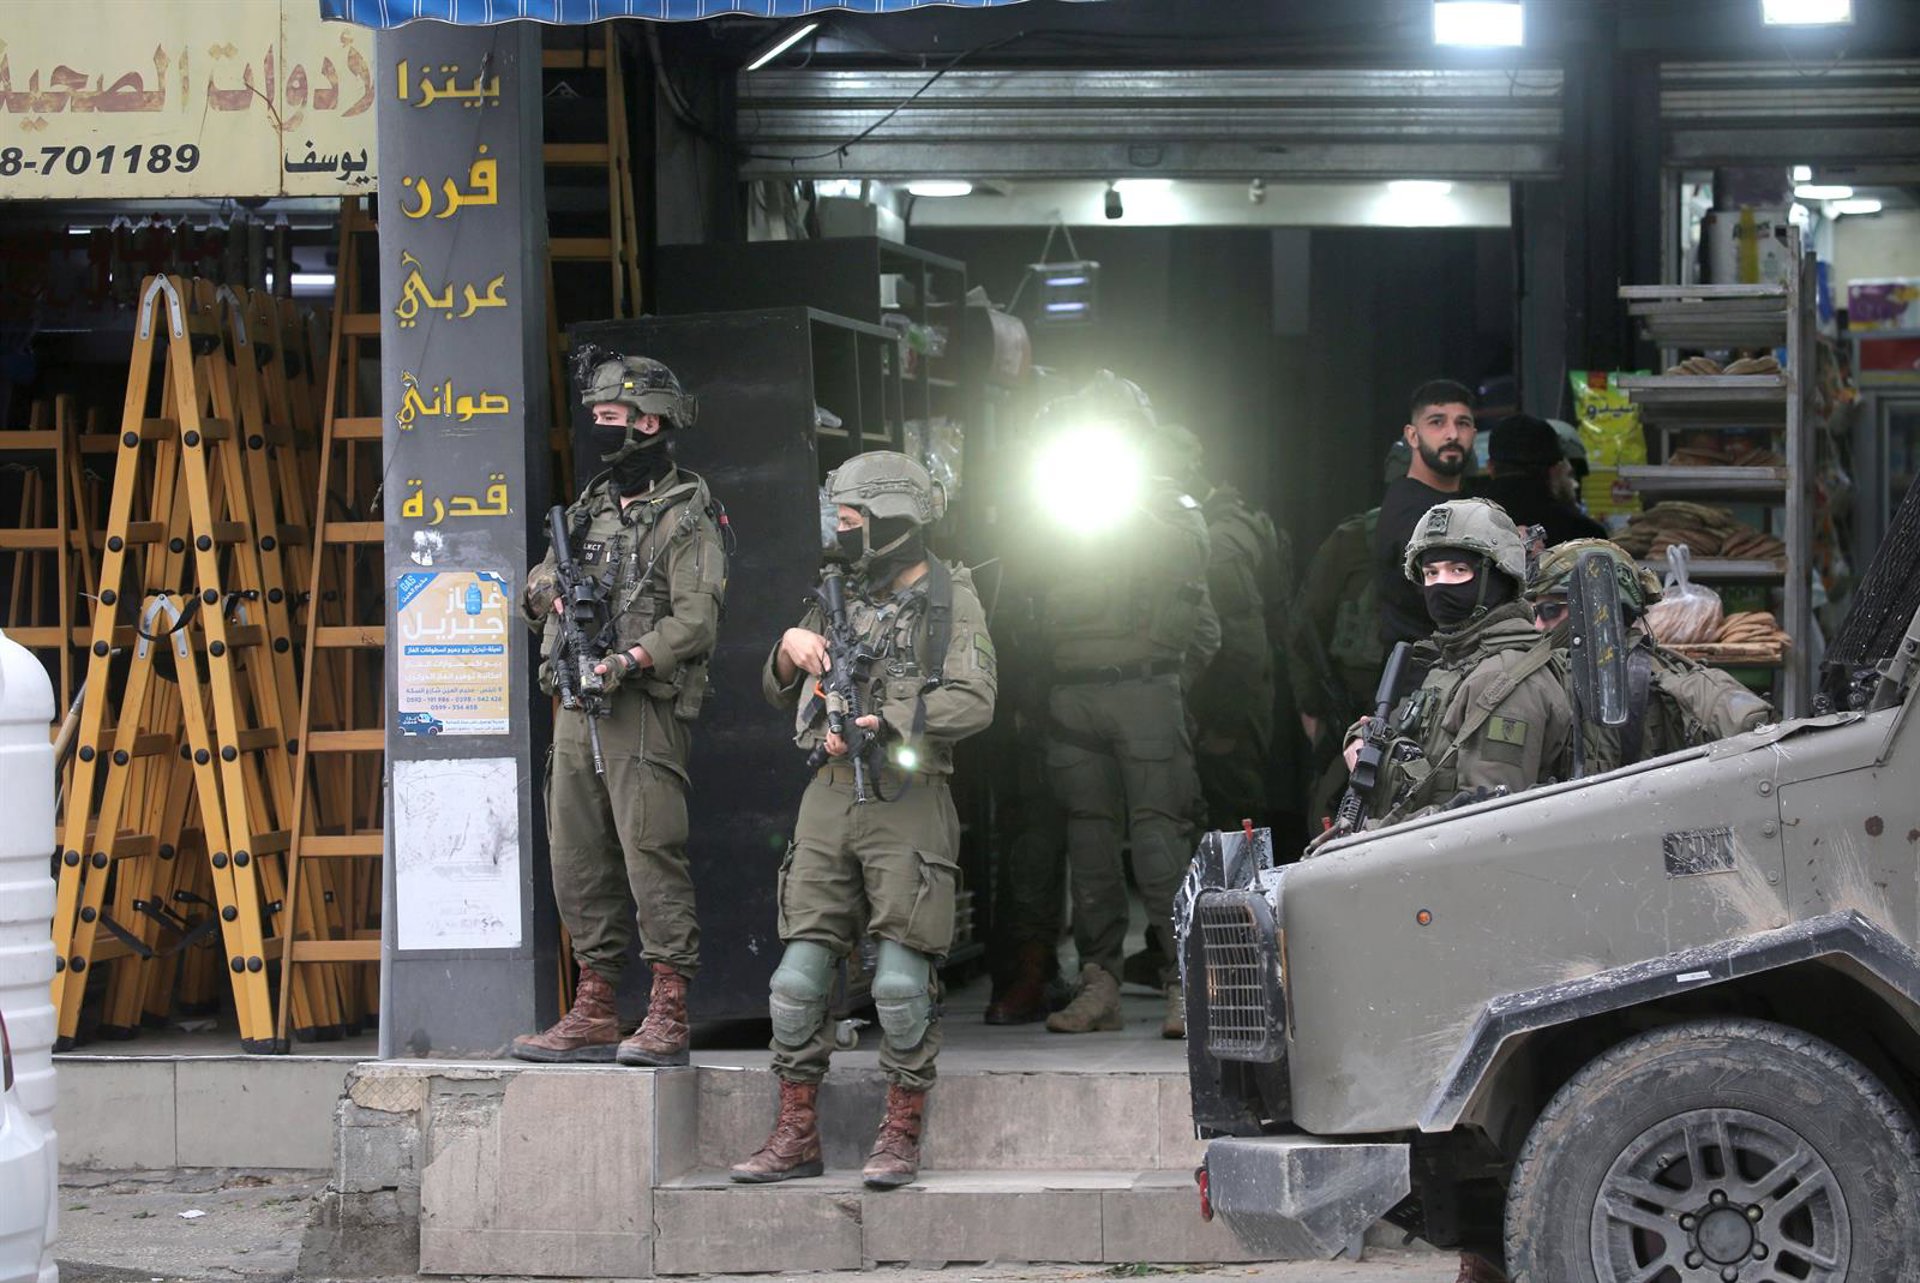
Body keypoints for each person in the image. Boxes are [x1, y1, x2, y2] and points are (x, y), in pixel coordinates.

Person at [731, 451, 996, 1190]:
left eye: (851, 520)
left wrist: (892, 719)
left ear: (891, 520)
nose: (840, 533)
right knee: (797, 980)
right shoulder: (837, 592)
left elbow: (975, 698)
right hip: (827, 794)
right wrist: (788, 650)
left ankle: (900, 1132)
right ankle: (795, 1133)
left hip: (908, 796)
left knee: (902, 983)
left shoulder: (950, 597)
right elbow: (778, 686)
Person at [512, 353, 728, 1067]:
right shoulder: (588, 509)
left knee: (649, 849)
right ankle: (596, 1003)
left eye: (610, 418)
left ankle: (668, 1007)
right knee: (574, 851)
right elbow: (534, 589)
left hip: (641, 707)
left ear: (649, 423)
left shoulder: (688, 516)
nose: (598, 431)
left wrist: (632, 659)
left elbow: (696, 622)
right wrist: (551, 591)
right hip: (578, 702)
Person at [1027, 372, 1218, 1040]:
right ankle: (1098, 984)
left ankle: (1185, 981)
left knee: (1161, 844)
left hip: (1144, 689)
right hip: (1074, 693)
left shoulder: (1169, 505)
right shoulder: (1055, 502)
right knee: (1089, 847)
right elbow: (1026, 585)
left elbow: (1196, 588)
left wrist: (1167, 685)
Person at [1343, 498, 1572, 828]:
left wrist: (1373, 834)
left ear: (1499, 576)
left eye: (1458, 570)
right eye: (1431, 573)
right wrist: (1364, 741)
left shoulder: (1504, 679)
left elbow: (1484, 820)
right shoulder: (1453, 662)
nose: (1441, 585)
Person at [1529, 538, 1771, 772]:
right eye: (1534, 613)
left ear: (1597, 608)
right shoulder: (1551, 679)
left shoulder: (1663, 683)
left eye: (1549, 610)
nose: (1538, 625)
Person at [1161, 424, 1287, 832]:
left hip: (1228, 710)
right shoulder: (1230, 524)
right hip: (1227, 705)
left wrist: (1225, 726)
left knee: (1232, 821)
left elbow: (1244, 644)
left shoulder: (1220, 542)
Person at [1290, 442, 1409, 831]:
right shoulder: (1355, 539)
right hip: (1354, 699)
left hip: (1420, 698)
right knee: (1334, 805)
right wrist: (1311, 707)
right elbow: (1306, 624)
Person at [1376, 381, 1480, 649]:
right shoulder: (1409, 509)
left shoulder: (1468, 501)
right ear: (1412, 436)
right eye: (1437, 422)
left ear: (1473, 434)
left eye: (1462, 423)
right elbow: (1452, 595)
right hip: (1425, 665)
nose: (1452, 434)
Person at [1473, 414, 1607, 547]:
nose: (1575, 484)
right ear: (1555, 470)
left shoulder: (1469, 523)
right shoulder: (1586, 534)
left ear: (1490, 467)